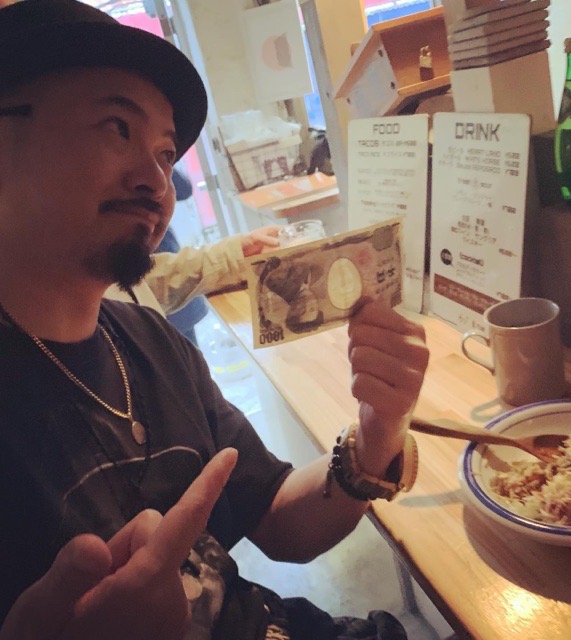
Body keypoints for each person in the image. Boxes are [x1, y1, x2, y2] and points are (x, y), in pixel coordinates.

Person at [0, 2, 430, 639]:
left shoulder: (152, 342)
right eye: (118, 127)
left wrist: (376, 436)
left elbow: (280, 519)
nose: (157, 181)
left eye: (166, 152)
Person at [105, 167, 281, 345]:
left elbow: (148, 280)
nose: (159, 185)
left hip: (175, 315)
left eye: (166, 157)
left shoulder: (121, 279)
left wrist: (234, 255)